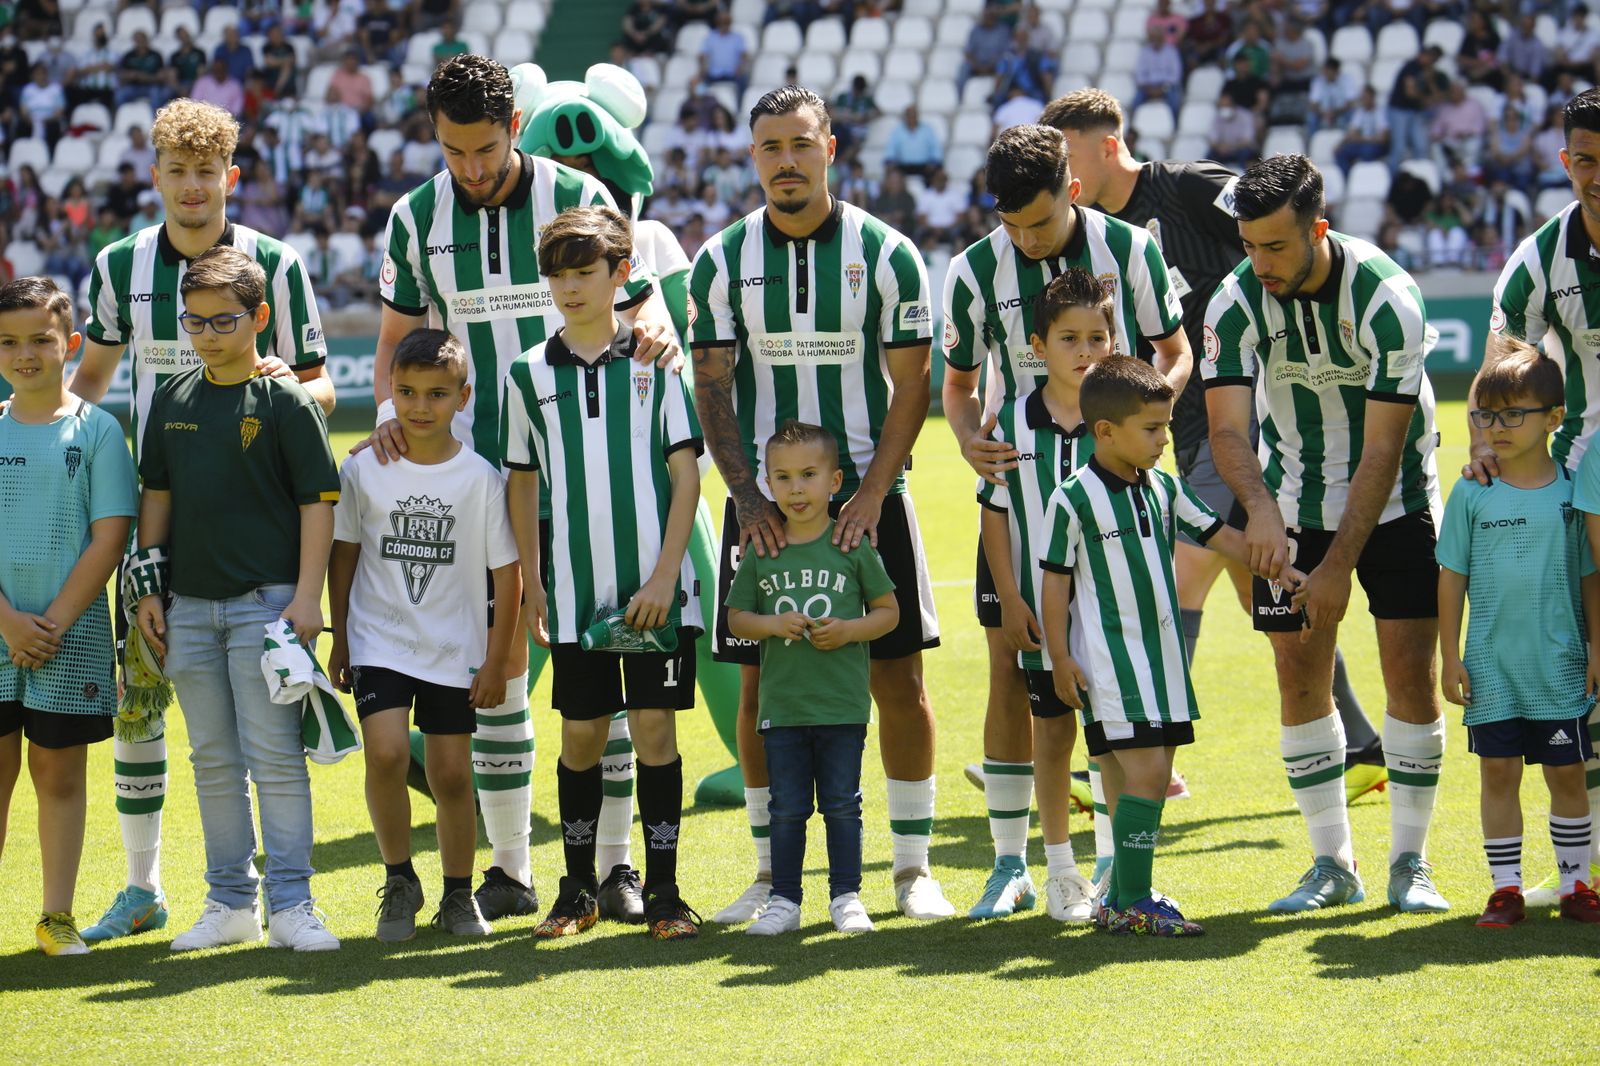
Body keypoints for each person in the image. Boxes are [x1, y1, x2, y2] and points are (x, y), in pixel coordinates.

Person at [369, 53, 679, 923]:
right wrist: (392, 417)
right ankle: (511, 868)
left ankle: (615, 868)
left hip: (589, 473)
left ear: (515, 125)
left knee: (608, 670)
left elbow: (642, 306)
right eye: (451, 150)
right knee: (492, 677)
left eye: (484, 148)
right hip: (476, 480)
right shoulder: (414, 216)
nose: (469, 169)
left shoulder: (577, 200)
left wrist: (651, 332)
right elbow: (401, 342)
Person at [1047, 88, 1389, 803]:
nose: (1063, 175)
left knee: (1179, 572)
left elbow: (1288, 231)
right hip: (1192, 429)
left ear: (1107, 145)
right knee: (1263, 590)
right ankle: (1361, 744)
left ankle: (1140, 752)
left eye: (1069, 155)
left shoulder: (1190, 188)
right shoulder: (1100, 237)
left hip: (1253, 419)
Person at [66, 98, 332, 945]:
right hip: (158, 523)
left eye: (205, 171)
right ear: (155, 178)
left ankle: (283, 897)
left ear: (231, 177)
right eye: (175, 171)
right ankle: (144, 885)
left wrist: (287, 382)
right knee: (142, 708)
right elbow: (94, 383)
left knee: (263, 735)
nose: (191, 186)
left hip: (255, 533)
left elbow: (323, 388)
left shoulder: (276, 265)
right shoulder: (118, 266)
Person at [690, 85, 954, 924]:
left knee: (898, 678)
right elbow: (713, 383)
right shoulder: (722, 260)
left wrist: (873, 492)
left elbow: (914, 384)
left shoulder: (888, 254)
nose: (785, 161)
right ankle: (773, 877)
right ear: (753, 156)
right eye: (769, 147)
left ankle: (912, 873)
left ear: (830, 148)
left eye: (800, 144)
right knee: (758, 686)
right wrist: (744, 497)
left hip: (869, 501)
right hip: (764, 509)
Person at [941, 121, 1190, 914]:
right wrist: (969, 441)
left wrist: (1140, 416)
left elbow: (1177, 350)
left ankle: (1119, 868)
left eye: (1039, 223)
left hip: (1117, 513)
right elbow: (957, 384)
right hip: (1022, 500)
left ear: (1072, 191)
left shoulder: (1134, 252)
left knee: (1115, 692)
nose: (1023, 239)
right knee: (1015, 685)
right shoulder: (973, 270)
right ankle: (1016, 864)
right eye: (1010, 225)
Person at [1203, 154, 1448, 915]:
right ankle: (1331, 863)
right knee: (1296, 673)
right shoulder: (1236, 299)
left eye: (1276, 246)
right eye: (1248, 244)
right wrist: (1264, 510)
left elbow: (1382, 450)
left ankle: (1411, 862)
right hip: (1293, 500)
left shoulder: (1386, 297)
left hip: (1398, 503)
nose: (1260, 262)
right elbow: (1227, 429)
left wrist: (1340, 561)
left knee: (1409, 674)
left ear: (1319, 228)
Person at [502, 205, 703, 941]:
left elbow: (687, 479)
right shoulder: (528, 373)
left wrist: (663, 577)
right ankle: (576, 890)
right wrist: (534, 581)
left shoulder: (657, 362)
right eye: (557, 275)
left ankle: (666, 893)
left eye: (585, 273)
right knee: (581, 736)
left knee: (654, 730)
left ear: (621, 274)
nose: (570, 289)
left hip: (657, 593)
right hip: (576, 592)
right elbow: (522, 483)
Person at [134, 246, 341, 951]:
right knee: (213, 762)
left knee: (275, 759)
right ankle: (229, 904)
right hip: (187, 608)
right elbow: (155, 497)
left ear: (259, 317)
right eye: (194, 322)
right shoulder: (171, 396)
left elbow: (320, 503)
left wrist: (307, 598)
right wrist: (147, 589)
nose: (207, 336)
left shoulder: (285, 399)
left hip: (268, 606)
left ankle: (292, 904)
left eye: (224, 322)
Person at [1041, 356, 1288, 936]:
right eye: (1152, 429)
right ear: (1105, 431)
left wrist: (1279, 566)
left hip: (1162, 663)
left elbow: (1220, 535)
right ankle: (1133, 900)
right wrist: (1060, 657)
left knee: (1141, 777)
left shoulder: (1163, 487)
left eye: (1167, 428)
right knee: (1148, 777)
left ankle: (1124, 899)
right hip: (1111, 665)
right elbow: (1052, 582)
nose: (1163, 440)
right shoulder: (1074, 499)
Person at [328, 329, 519, 942]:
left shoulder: (480, 478)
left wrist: (495, 660)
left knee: (452, 774)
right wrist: (341, 639)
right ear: (389, 390)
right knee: (384, 753)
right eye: (406, 391)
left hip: (453, 649)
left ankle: (459, 895)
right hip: (378, 639)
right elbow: (344, 555)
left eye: (436, 394)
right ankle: (399, 878)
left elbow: (506, 577)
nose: (419, 406)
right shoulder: (363, 469)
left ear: (462, 398)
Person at [1474, 88, 1600, 899]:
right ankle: (1579, 870)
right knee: (1583, 669)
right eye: (1586, 161)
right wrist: (1487, 443)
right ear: (1565, 162)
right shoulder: (1541, 258)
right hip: (1584, 479)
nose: (1598, 178)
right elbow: (1502, 353)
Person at [1440, 340, 1600, 928]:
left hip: (1557, 665)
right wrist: (1449, 656)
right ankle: (1504, 889)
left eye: (1513, 414)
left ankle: (1575, 885)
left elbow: (1589, 578)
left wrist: (1595, 648)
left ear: (1554, 418)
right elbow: (1451, 576)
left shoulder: (1573, 492)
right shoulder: (1471, 491)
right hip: (1490, 666)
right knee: (1498, 773)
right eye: (1486, 414)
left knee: (1566, 774)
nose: (1496, 427)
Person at [0, 278, 138, 955]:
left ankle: (56, 915)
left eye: (40, 340)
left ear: (71, 344)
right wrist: (7, 621)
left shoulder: (100, 431)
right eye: (9, 342)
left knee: (58, 773)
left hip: (70, 637)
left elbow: (109, 537)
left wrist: (45, 623)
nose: (26, 354)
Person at [973, 269, 1113, 922]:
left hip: (1113, 615)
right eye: (1070, 339)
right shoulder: (1012, 421)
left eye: (1097, 337)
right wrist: (1007, 596)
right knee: (1052, 739)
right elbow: (995, 512)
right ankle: (1060, 871)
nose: (1085, 352)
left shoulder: (1123, 414)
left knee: (1113, 742)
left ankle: (1115, 865)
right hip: (1038, 610)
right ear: (1038, 345)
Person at [727, 421, 899, 936]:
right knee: (787, 808)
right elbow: (736, 620)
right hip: (783, 706)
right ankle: (784, 899)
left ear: (835, 480)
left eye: (808, 475)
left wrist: (849, 631)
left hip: (842, 705)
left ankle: (846, 896)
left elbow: (888, 612)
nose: (796, 488)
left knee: (844, 805)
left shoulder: (851, 544)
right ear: (768, 485)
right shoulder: (762, 548)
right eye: (782, 478)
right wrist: (773, 624)